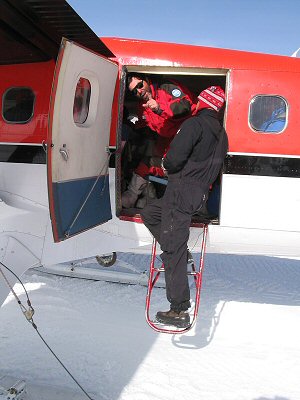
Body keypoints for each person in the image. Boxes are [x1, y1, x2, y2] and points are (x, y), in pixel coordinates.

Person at [140, 86, 228, 328]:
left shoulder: (194, 124)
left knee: (173, 249)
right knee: (150, 213)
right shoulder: (222, 133)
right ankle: (176, 250)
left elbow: (174, 159)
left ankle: (178, 309)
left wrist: (167, 164)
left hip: (180, 191)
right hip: (198, 194)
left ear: (203, 103)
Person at [122, 74, 198, 208]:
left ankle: (190, 203)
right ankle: (132, 196)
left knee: (184, 173)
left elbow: (185, 106)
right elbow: (142, 123)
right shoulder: (142, 105)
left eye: (140, 86)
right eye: (135, 91)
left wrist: (159, 108)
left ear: (147, 81)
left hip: (186, 139)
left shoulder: (166, 87)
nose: (139, 91)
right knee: (146, 164)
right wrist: (126, 126)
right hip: (165, 143)